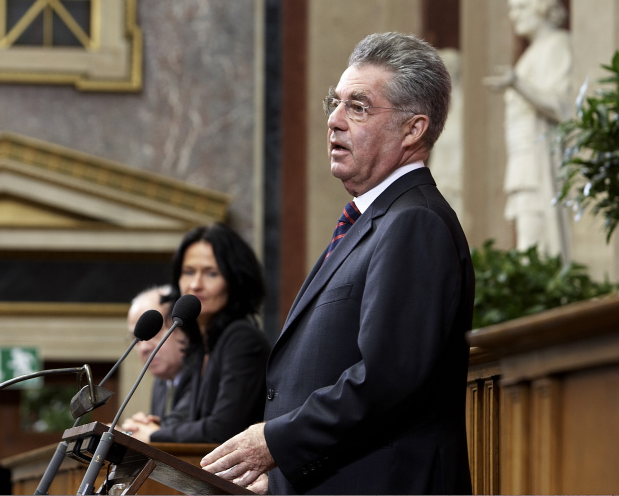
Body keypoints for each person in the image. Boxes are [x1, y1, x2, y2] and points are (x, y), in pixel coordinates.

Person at [201, 32, 475, 495]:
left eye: (358, 107)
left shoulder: (415, 223)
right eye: (335, 103)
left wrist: (273, 442)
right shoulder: (374, 221)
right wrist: (279, 480)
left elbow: (387, 379)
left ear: (413, 130)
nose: (333, 120)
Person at [122, 223, 269, 444]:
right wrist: (156, 426)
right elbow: (195, 421)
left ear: (234, 281)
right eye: (189, 272)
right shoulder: (202, 345)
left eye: (211, 273)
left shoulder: (241, 338)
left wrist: (154, 434)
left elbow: (224, 429)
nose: (195, 284)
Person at [483, 0, 572, 257]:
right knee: (528, 239)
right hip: (524, 159)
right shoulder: (531, 54)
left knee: (536, 240)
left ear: (542, 6)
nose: (513, 15)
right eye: (512, 8)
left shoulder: (558, 44)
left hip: (541, 160)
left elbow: (563, 105)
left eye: (521, 7)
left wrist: (517, 83)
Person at [122, 285, 191, 431]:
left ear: (182, 328)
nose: (144, 347)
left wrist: (145, 430)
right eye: (136, 338)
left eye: (153, 332)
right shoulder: (161, 383)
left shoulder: (203, 372)